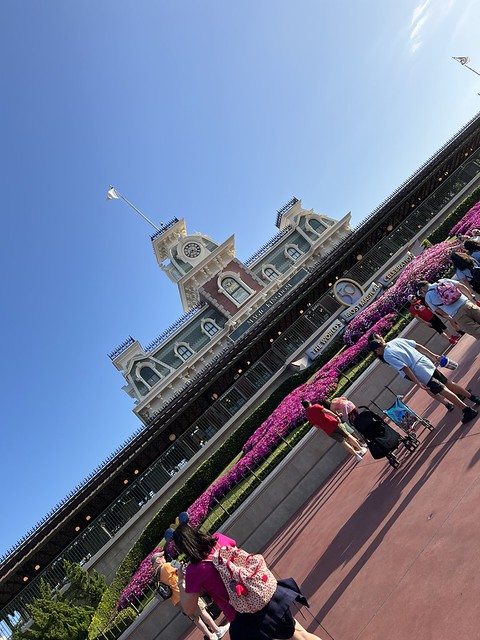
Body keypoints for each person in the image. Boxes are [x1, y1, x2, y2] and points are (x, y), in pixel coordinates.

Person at [172, 522, 323, 640]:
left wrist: (181, 581)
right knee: (301, 635)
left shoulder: (194, 571)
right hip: (262, 594)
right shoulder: (219, 539)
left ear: (182, 549)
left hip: (244, 619)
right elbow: (235, 551)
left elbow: (189, 609)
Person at [367, 335, 479, 424]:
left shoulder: (387, 355)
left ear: (377, 350)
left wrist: (417, 382)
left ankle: (467, 410)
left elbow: (405, 368)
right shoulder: (396, 341)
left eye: (376, 352)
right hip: (425, 361)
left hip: (420, 372)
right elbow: (418, 346)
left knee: (442, 390)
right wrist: (433, 355)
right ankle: (473, 398)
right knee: (448, 382)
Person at [151, 551, 229, 640]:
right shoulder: (165, 566)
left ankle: (210, 636)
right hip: (183, 593)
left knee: (195, 618)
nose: (164, 558)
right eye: (162, 557)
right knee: (202, 611)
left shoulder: (157, 576)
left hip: (176, 600)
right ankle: (217, 630)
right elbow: (181, 570)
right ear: (158, 560)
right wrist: (181, 566)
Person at [301, 399, 367, 462]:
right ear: (309, 403)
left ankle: (357, 456)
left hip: (329, 431)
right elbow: (326, 411)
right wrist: (336, 416)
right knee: (348, 436)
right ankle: (361, 449)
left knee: (343, 442)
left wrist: (324, 427)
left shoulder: (308, 416)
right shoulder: (315, 406)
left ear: (304, 407)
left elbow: (317, 426)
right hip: (334, 423)